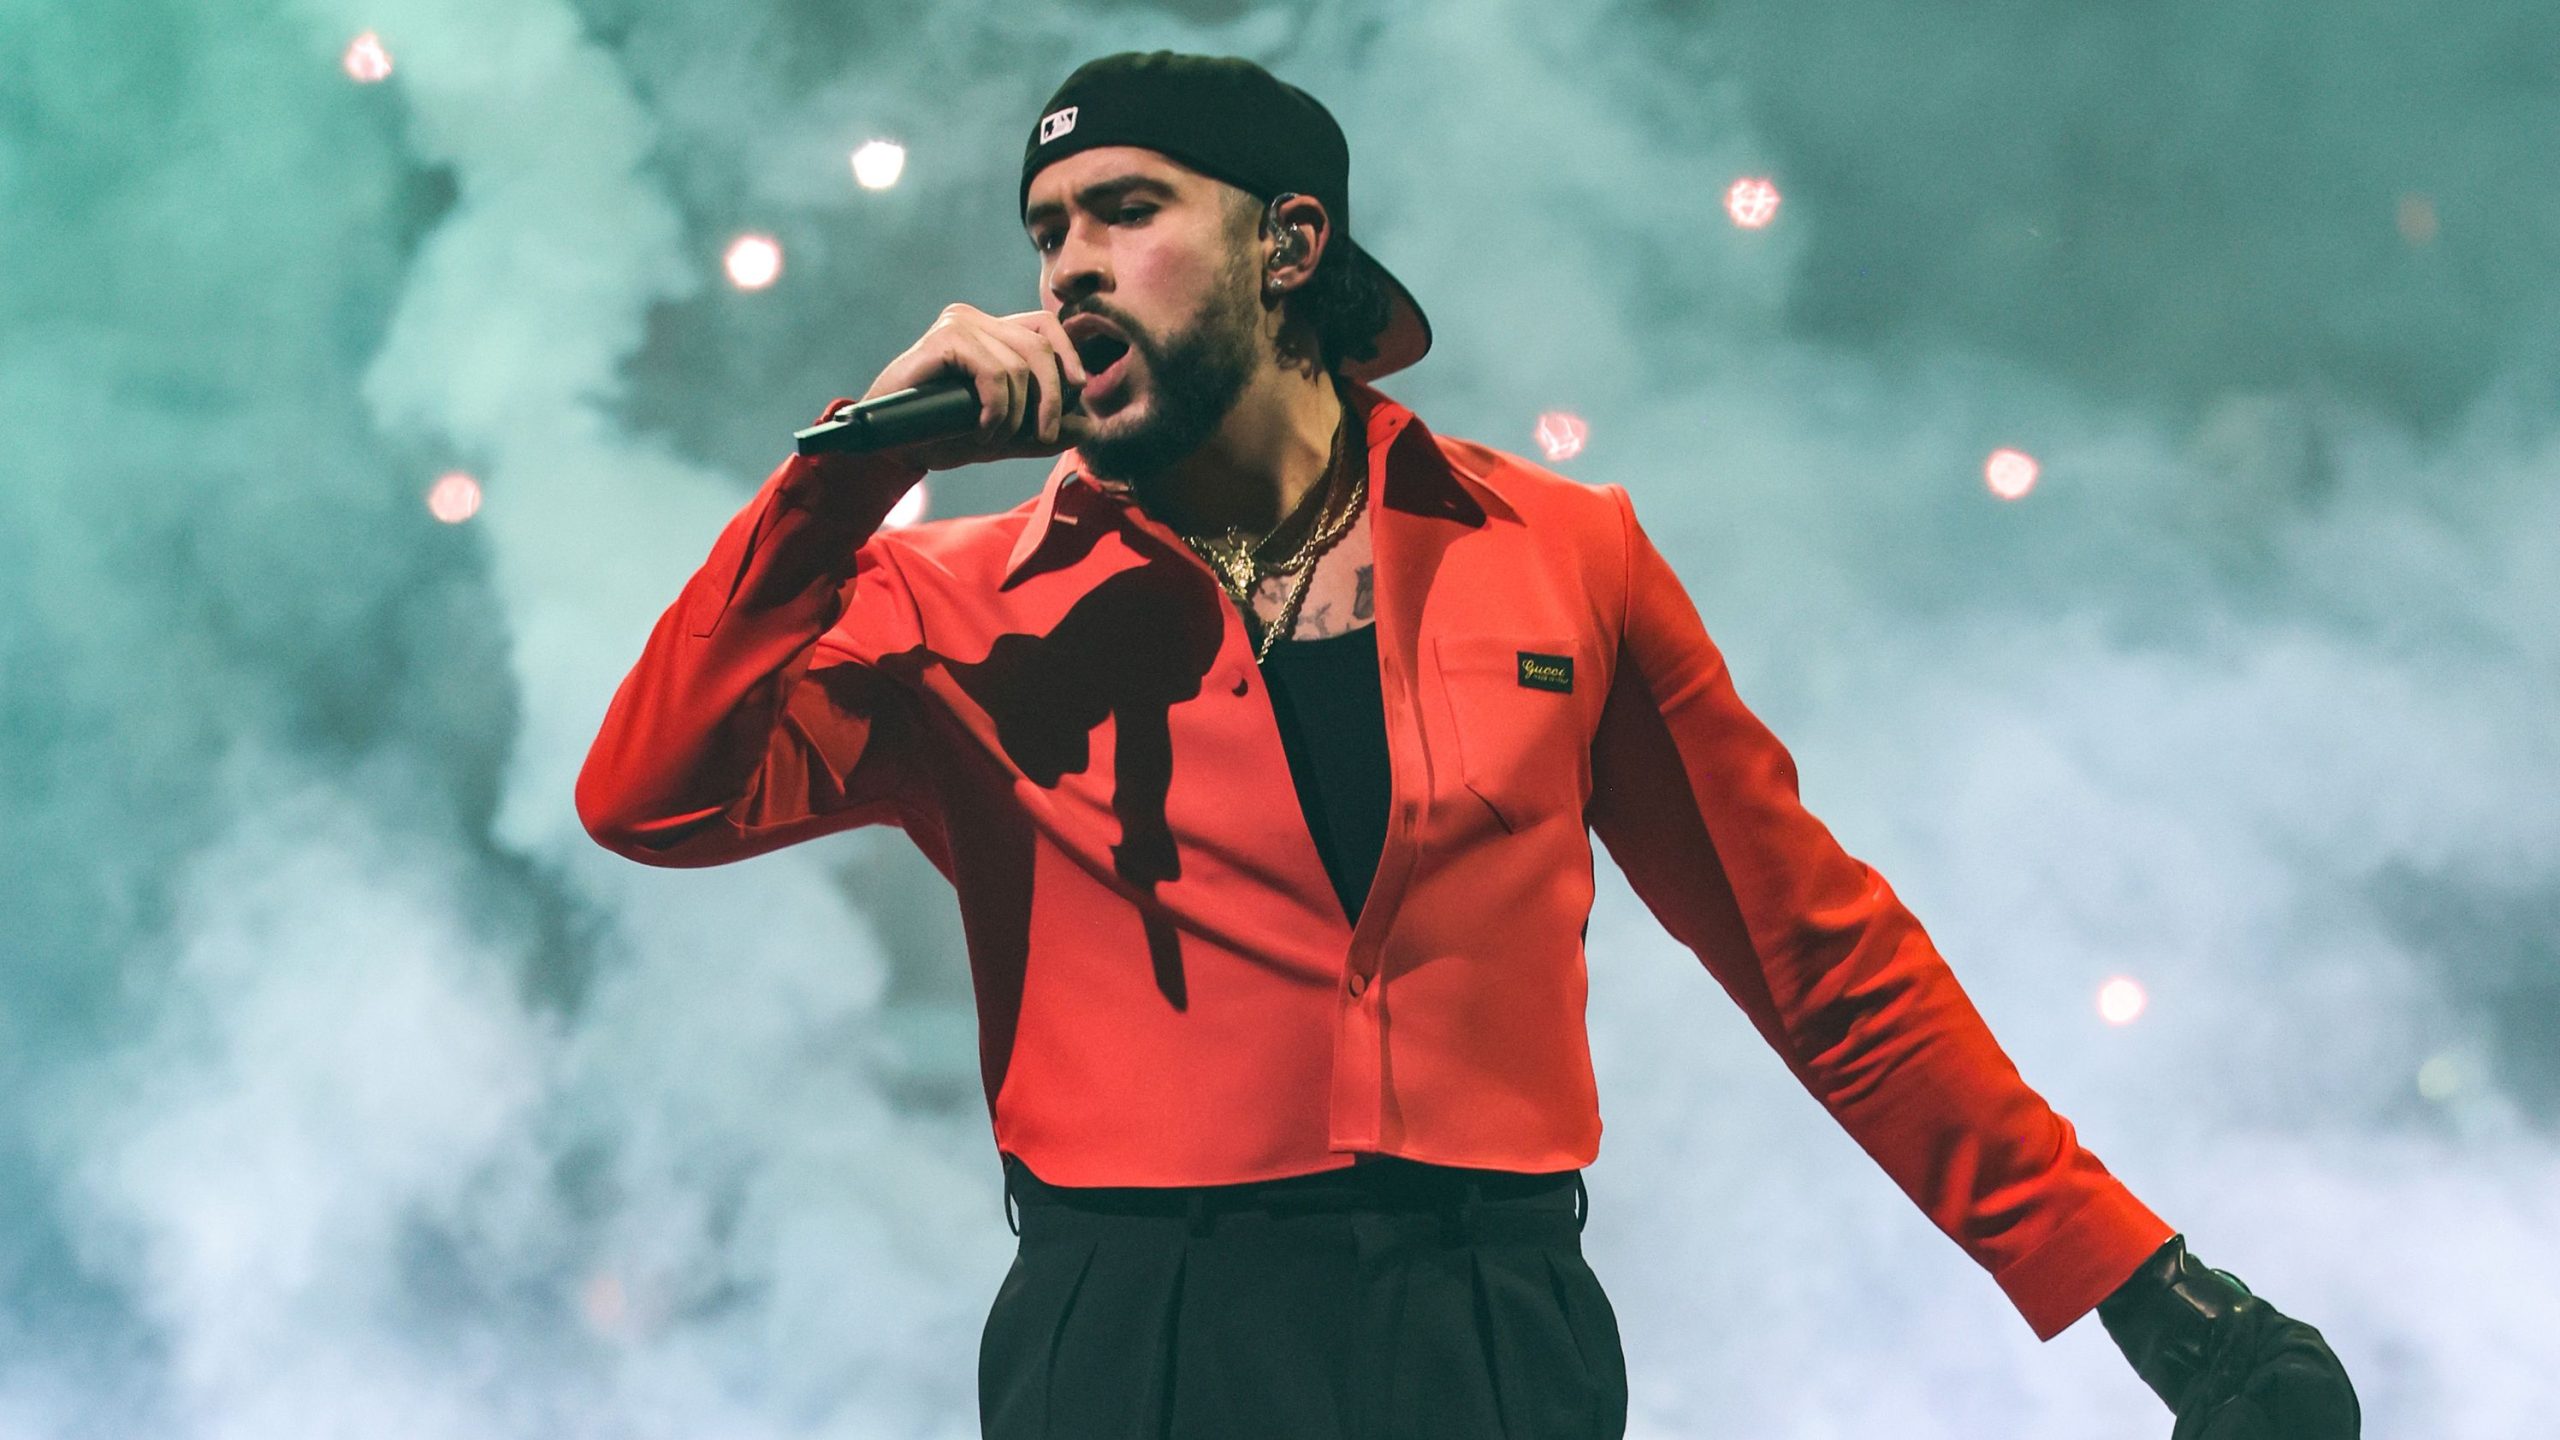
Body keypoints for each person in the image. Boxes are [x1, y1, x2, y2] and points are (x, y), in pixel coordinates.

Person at [576, 49, 2358, 1440]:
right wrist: (847, 474)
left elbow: (1820, 960)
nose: (1070, 272)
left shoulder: (1565, 554)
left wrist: (2143, 1288)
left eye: (1124, 211)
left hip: (1490, 1334)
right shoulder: (947, 598)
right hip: (1135, 1336)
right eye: (1047, 235)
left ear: (1290, 247)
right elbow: (647, 798)